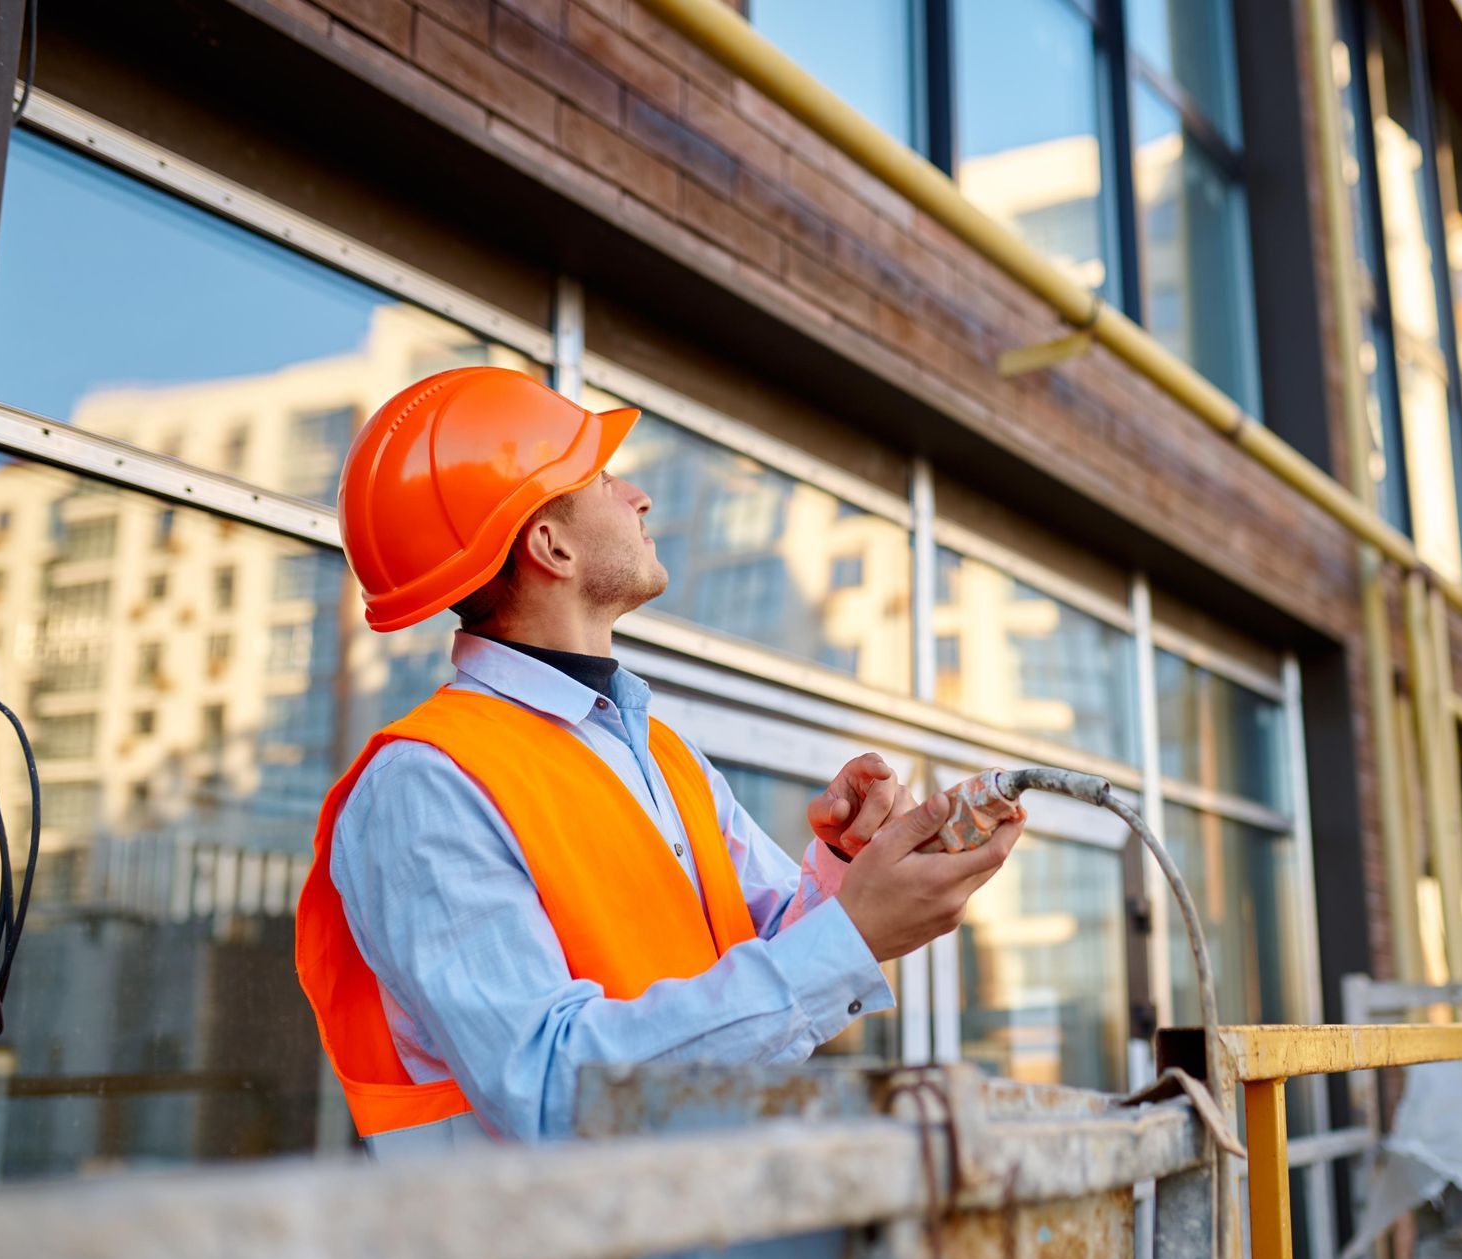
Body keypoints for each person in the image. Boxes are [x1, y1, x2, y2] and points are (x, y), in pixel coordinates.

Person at [296, 367, 1024, 1156]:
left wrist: (851, 869)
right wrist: (851, 936)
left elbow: (766, 965)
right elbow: (552, 1086)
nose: (638, 495)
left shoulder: (656, 750)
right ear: (551, 545)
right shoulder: (425, 785)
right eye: (604, 478)